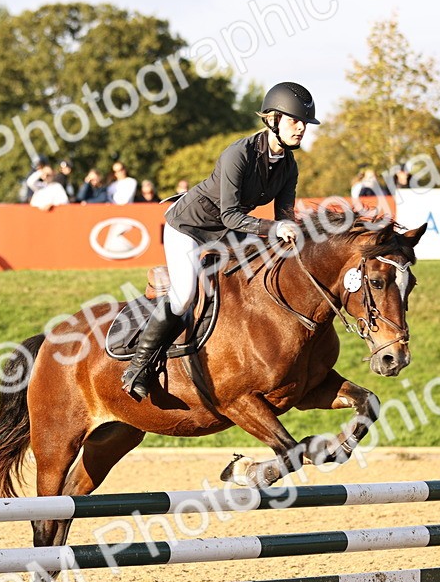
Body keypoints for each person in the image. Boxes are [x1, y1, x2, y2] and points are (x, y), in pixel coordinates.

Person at [120, 81, 316, 400]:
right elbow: (230, 215)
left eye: (304, 123)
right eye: (295, 120)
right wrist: (275, 230)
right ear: (272, 119)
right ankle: (137, 368)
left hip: (226, 234)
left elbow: (285, 217)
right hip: (189, 228)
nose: (301, 128)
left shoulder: (289, 166)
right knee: (183, 297)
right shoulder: (238, 154)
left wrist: (293, 239)